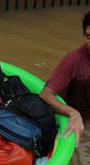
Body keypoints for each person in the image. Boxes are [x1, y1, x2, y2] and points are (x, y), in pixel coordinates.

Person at [39, 11, 90, 146]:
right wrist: (72, 112)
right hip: (78, 119)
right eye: (88, 37)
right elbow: (45, 94)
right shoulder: (73, 60)